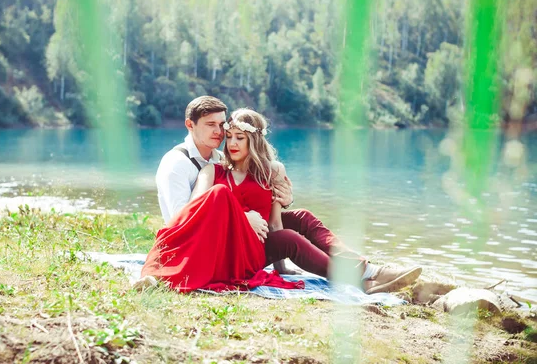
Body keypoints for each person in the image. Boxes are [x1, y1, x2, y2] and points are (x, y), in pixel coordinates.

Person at [152, 96, 422, 294]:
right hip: (222, 244)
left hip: (254, 240)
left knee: (301, 217)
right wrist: (242, 217)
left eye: (226, 129)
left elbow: (271, 219)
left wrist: (280, 202)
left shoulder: (227, 159)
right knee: (289, 238)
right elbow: (188, 216)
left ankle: (368, 269)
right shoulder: (192, 166)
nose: (224, 136)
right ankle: (359, 278)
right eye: (220, 130)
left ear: (252, 141)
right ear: (190, 125)